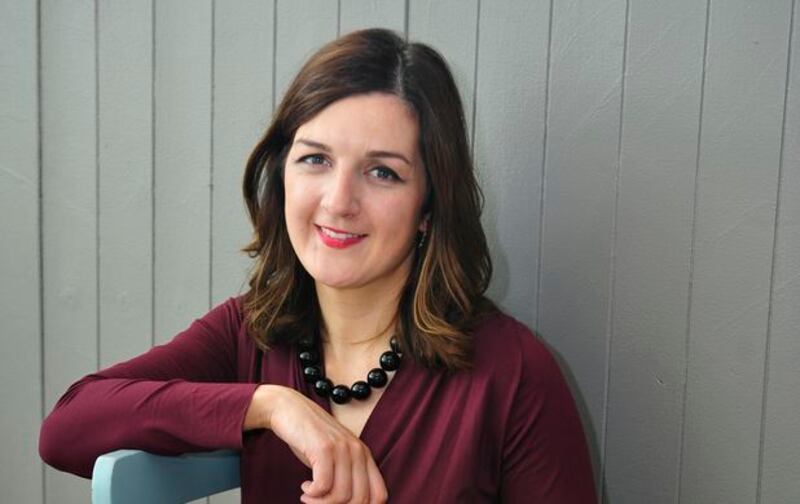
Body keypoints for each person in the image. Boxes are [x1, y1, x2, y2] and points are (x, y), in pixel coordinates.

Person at [39, 28, 597, 503]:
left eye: (382, 172)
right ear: (282, 176)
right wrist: (270, 406)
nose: (337, 201)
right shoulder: (251, 333)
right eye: (315, 159)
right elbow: (68, 427)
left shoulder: (514, 373)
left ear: (429, 206)